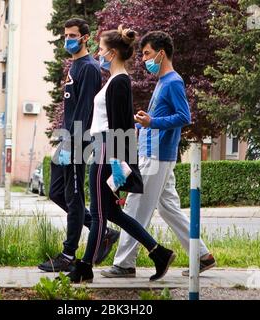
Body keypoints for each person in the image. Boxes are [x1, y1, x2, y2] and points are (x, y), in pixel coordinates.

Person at [64, 26, 175, 283]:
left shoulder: (120, 81)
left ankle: (84, 267)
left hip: (107, 152)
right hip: (104, 149)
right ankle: (158, 253)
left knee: (100, 213)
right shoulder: (115, 81)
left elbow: (116, 125)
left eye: (101, 50)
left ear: (112, 53)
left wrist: (115, 162)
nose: (98, 54)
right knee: (111, 214)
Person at [101, 31, 216, 279]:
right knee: (169, 209)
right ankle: (202, 256)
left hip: (156, 156)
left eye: (147, 53)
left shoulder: (173, 81)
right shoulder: (163, 82)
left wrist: (152, 122)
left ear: (161, 53)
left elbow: (184, 116)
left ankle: (124, 263)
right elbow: (159, 120)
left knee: (136, 207)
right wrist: (143, 124)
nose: (143, 59)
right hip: (156, 153)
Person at [38, 18, 120, 273]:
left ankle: (68, 254)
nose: (68, 40)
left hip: (77, 141)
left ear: (85, 37)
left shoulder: (90, 68)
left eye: (72, 35)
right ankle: (104, 232)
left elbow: (86, 111)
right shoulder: (75, 66)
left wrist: (74, 144)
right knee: (56, 192)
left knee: (74, 198)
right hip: (66, 138)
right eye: (66, 35)